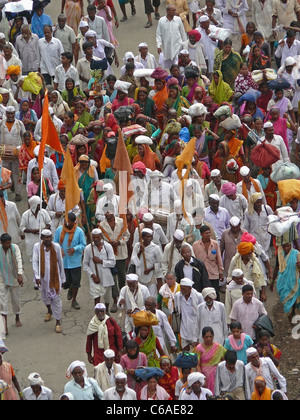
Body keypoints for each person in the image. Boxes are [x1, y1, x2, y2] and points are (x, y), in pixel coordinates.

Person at [32, 229, 66, 333]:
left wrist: (63, 278)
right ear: (41, 238)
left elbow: (60, 262)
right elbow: (35, 261)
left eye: (50, 237)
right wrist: (37, 277)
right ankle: (49, 310)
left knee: (56, 300)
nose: (48, 239)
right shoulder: (37, 246)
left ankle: (58, 322)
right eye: (46, 237)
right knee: (45, 298)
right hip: (42, 279)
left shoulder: (56, 246)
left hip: (55, 278)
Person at [54, 212, 86, 310]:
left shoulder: (79, 231)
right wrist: (60, 249)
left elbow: (83, 244)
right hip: (64, 261)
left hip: (75, 261)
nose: (67, 224)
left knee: (76, 282)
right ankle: (70, 289)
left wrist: (75, 249)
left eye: (69, 222)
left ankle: (74, 300)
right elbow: (55, 242)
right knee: (66, 283)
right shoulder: (59, 230)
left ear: (73, 222)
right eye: (65, 222)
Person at [83, 229, 116, 309]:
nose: (95, 239)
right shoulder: (88, 248)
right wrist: (93, 275)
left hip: (106, 277)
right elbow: (85, 265)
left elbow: (112, 263)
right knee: (96, 297)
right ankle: (98, 314)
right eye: (94, 238)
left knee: (107, 298)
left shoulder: (107, 246)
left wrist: (100, 261)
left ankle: (106, 312)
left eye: (97, 237)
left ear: (101, 236)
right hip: (95, 278)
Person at [271, 242, 300, 322]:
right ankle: (291, 320)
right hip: (282, 282)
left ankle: (292, 320)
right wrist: (272, 282)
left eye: (288, 246)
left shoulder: (296, 253)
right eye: (285, 246)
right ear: (281, 246)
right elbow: (277, 267)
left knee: (292, 301)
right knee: (286, 301)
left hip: (293, 282)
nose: (287, 248)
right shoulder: (279, 255)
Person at [193, 225, 224, 300]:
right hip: (201, 274)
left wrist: (221, 272)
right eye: (206, 233)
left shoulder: (215, 244)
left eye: (209, 233)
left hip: (213, 273)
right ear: (201, 234)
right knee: (203, 294)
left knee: (215, 293)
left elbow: (219, 258)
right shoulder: (196, 245)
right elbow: (194, 260)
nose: (208, 234)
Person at [173, 278, 204, 350]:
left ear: (190, 288)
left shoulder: (198, 296)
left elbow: (202, 311)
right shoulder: (178, 296)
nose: (182, 291)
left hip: (195, 329)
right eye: (181, 288)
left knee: (196, 350)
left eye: (184, 289)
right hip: (183, 327)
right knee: (185, 350)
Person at [20, 197, 51, 262]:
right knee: (34, 262)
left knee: (44, 260)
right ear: (34, 205)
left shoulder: (43, 212)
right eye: (39, 204)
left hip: (43, 241)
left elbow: (49, 223)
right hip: (32, 242)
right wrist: (32, 231)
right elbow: (22, 228)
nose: (40, 206)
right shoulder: (26, 215)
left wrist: (44, 230)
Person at [156, 4, 187, 69]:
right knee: (170, 68)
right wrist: (158, 46)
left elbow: (182, 33)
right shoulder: (161, 21)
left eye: (175, 10)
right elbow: (158, 34)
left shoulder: (178, 20)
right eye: (173, 10)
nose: (175, 12)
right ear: (167, 11)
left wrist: (185, 45)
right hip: (167, 48)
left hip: (178, 47)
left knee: (177, 66)